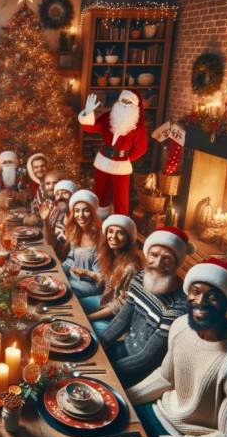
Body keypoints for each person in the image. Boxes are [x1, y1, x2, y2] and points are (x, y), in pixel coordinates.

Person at [127, 258, 227, 437]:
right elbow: (166, 378)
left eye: (213, 296)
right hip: (162, 412)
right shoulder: (180, 326)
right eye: (195, 291)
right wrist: (124, 398)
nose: (200, 301)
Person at [99, 226, 194, 387]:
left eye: (167, 258)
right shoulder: (141, 277)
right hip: (124, 350)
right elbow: (122, 319)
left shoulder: (179, 304)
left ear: (177, 263)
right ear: (147, 254)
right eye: (154, 255)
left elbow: (148, 359)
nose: (158, 263)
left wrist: (108, 370)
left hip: (142, 372)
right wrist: (98, 344)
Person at [78, 89, 149, 218]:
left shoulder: (138, 126)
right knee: (101, 193)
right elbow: (90, 128)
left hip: (121, 167)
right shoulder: (108, 116)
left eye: (129, 102)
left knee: (120, 197)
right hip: (103, 162)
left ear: (136, 106)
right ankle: (100, 220)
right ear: (119, 101)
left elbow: (141, 148)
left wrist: (124, 156)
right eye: (123, 100)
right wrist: (88, 113)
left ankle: (119, 223)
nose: (125, 104)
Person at [84, 215, 145, 334]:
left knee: (87, 329)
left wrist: (89, 317)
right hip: (105, 301)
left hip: (116, 316)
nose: (113, 237)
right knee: (76, 306)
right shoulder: (111, 255)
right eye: (110, 231)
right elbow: (109, 282)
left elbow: (120, 306)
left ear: (128, 238)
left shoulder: (131, 268)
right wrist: (89, 274)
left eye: (120, 233)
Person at [60, 190, 103, 298]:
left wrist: (87, 273)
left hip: (87, 290)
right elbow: (70, 261)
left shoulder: (100, 239)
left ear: (93, 213)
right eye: (77, 211)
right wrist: (57, 270)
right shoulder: (76, 233)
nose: (81, 215)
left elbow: (102, 278)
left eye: (86, 210)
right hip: (70, 283)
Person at [39, 179, 77, 251]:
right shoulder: (61, 216)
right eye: (57, 194)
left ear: (74, 195)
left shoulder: (78, 218)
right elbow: (53, 243)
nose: (60, 197)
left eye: (64, 193)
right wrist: (45, 221)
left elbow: (65, 251)